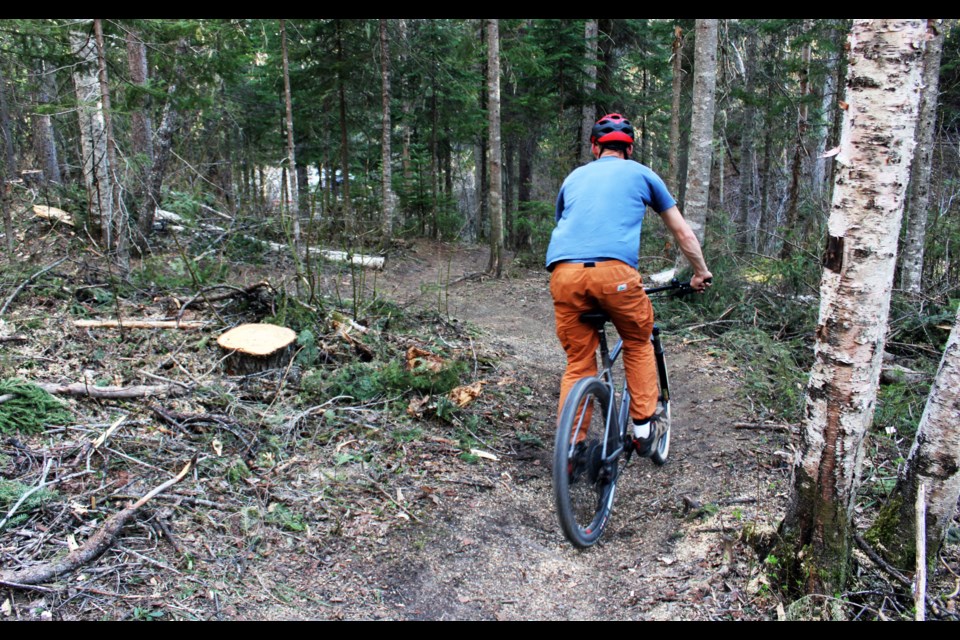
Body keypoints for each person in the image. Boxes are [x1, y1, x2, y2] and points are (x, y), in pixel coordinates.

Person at [546, 113, 712, 455]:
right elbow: (682, 232)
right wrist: (700, 272)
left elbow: (567, 225)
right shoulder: (642, 173)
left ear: (595, 147)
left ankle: (571, 450)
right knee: (637, 340)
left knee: (579, 361)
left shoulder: (573, 178)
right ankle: (643, 430)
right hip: (615, 276)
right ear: (629, 149)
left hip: (565, 275)